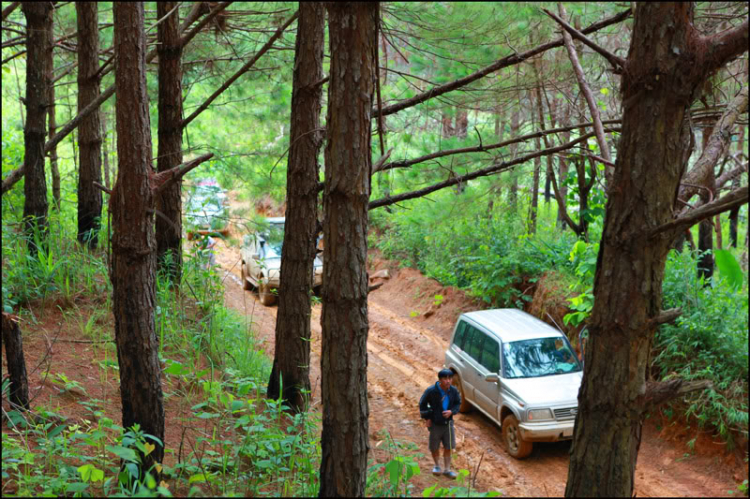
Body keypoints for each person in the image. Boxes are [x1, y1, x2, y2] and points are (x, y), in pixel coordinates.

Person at [419, 368, 461, 479]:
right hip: (435, 424)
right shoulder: (431, 391)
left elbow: (458, 404)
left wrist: (451, 411)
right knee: (434, 446)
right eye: (445, 378)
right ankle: (437, 466)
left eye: (450, 378)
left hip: (448, 424)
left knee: (449, 446)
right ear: (440, 380)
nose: (448, 381)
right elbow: (422, 404)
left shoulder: (454, 391)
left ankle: (447, 469)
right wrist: (427, 417)